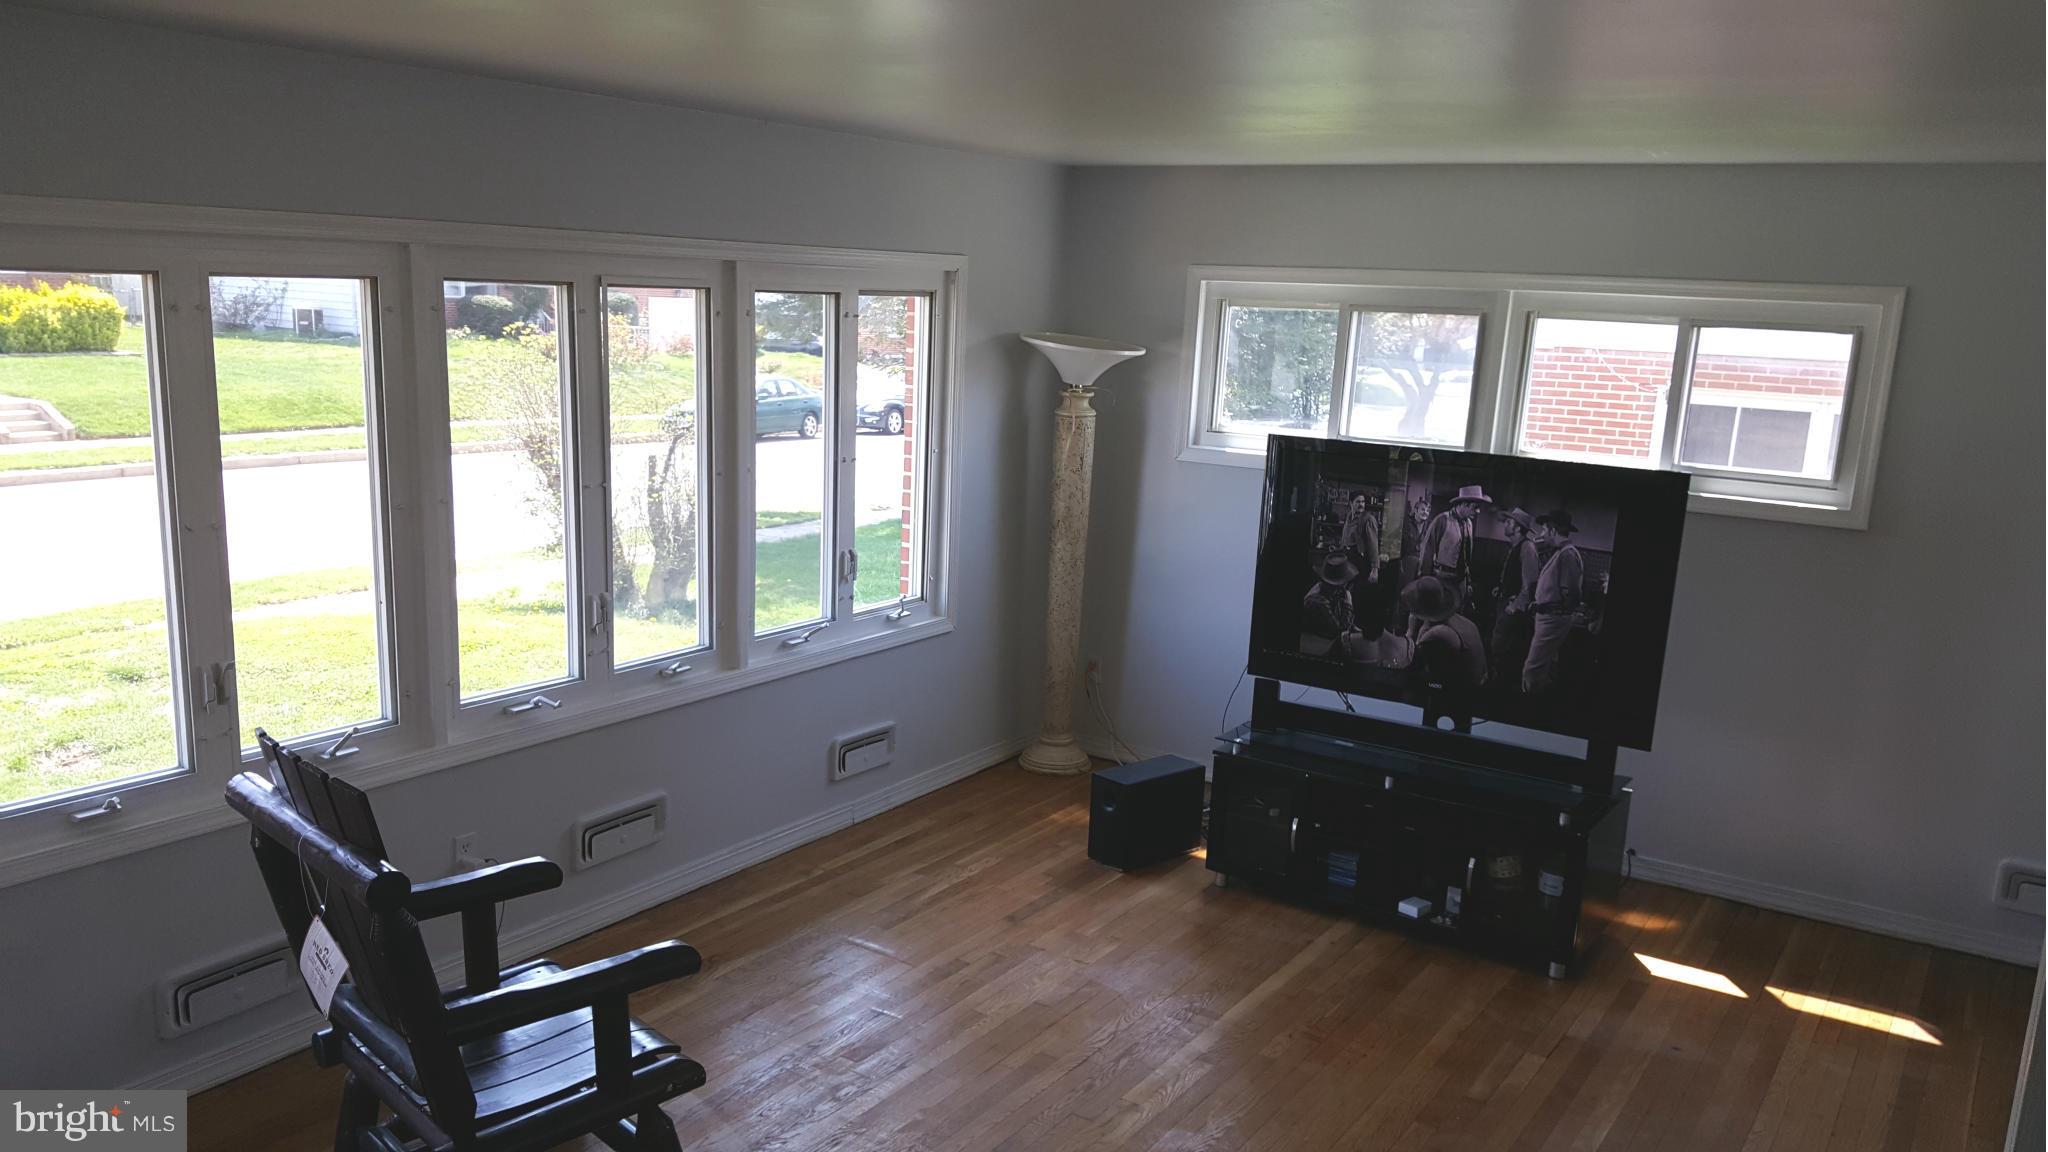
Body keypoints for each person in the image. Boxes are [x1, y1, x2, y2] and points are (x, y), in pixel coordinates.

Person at [1401, 576, 1487, 727]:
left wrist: (1410, 630)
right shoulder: (1464, 622)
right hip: (1470, 689)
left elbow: (1413, 662)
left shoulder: (1438, 636)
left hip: (1456, 701)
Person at [1522, 509, 1585, 695]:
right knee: (1546, 668)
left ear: (1552, 530)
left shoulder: (1568, 554)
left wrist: (1550, 608)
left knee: (1531, 670)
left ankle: (1528, 707)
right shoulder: (1561, 553)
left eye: (1543, 530)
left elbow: (1571, 594)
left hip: (1553, 619)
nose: (1542, 535)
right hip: (1548, 617)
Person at [1490, 508, 1538, 689]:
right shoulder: (1515, 546)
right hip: (1504, 602)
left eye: (1509, 523)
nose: (1506, 524)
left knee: (1501, 647)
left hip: (1513, 608)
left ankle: (1501, 687)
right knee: (1499, 646)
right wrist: (1500, 588)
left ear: (1518, 528)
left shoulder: (1527, 547)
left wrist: (1515, 605)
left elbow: (1530, 583)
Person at [1300, 553, 1359, 658]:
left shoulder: (1333, 592)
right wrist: (1348, 604)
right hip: (1315, 646)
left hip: (1325, 639)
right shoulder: (1318, 602)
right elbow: (1341, 631)